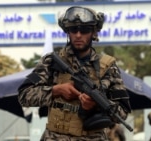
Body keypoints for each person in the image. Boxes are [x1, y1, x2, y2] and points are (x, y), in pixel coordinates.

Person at [18, 6, 131, 141]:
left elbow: (122, 113)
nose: (78, 35)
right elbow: (24, 95)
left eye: (84, 30)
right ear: (67, 32)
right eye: (73, 29)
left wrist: (97, 105)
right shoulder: (51, 62)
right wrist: (56, 90)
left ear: (94, 33)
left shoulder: (108, 67)